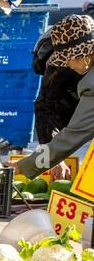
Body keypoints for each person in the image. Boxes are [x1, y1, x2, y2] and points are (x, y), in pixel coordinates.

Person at [20, 14, 94, 181]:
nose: (67, 64)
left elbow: (75, 133)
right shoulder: (58, 69)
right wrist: (52, 159)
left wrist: (28, 165)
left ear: (85, 54)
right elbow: (45, 108)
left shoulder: (91, 84)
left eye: (69, 60)